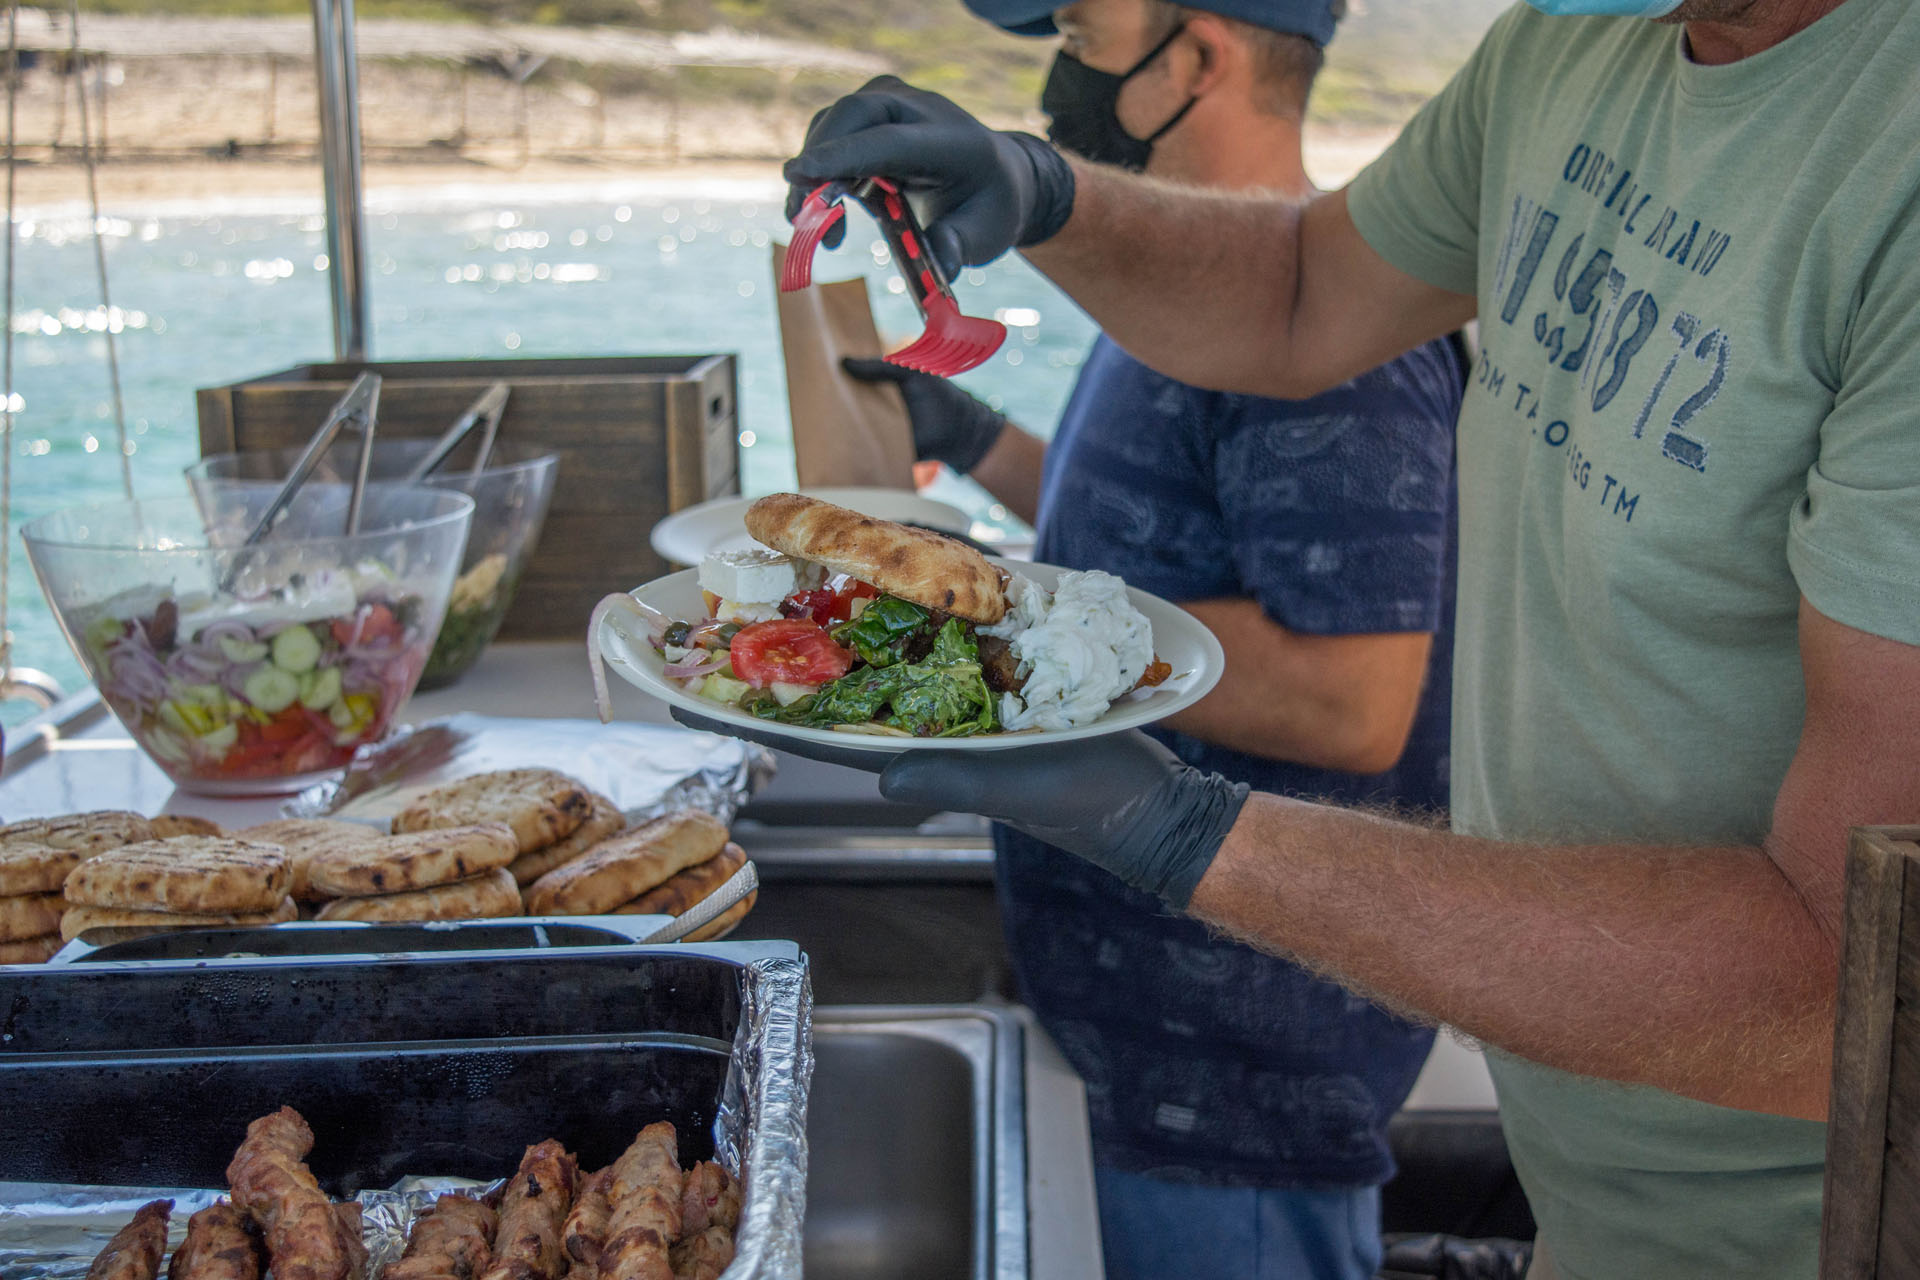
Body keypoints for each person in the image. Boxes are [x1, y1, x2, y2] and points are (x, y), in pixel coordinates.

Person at [693, 1, 1920, 1277]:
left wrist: (1181, 827)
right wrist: (1047, 191)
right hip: (1592, 1179)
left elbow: (1859, 987)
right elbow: (1300, 293)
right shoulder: (1568, 47)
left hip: (1813, 1226)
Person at [836, 3, 1462, 1276]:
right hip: (1138, 1036)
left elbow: (1357, 696)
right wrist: (968, 439)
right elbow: (1144, 560)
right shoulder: (1182, 307)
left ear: (1198, 57)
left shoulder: (1339, 357)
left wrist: (1014, 621)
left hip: (1236, 1081)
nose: (1055, 72)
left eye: (1080, 27)